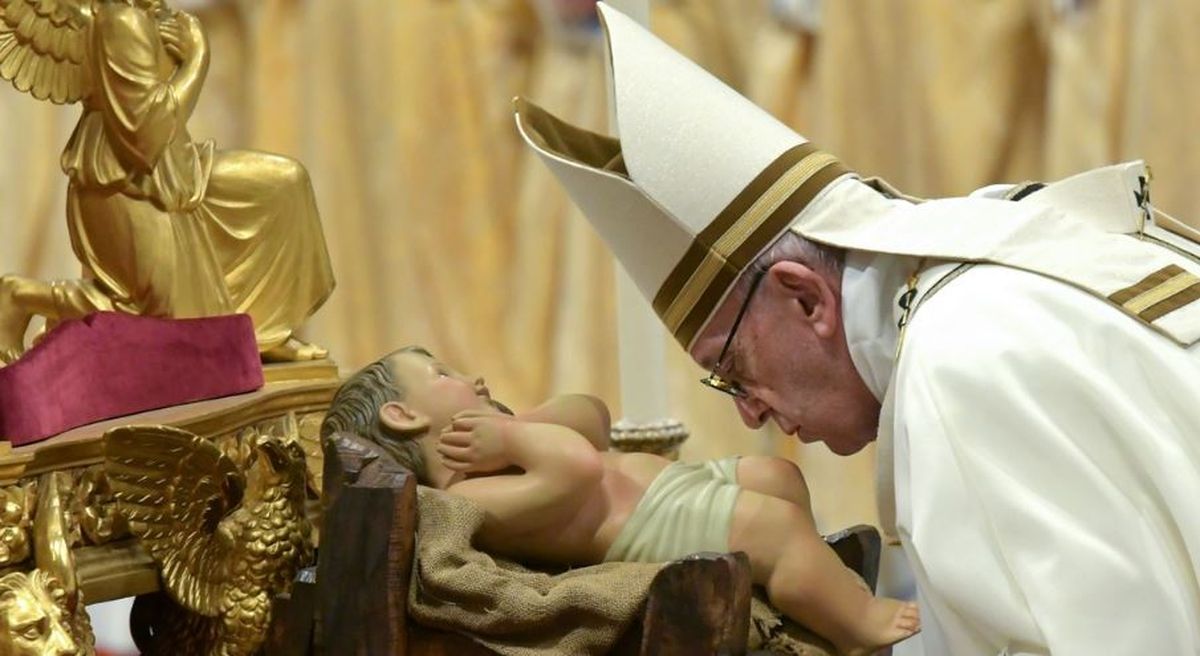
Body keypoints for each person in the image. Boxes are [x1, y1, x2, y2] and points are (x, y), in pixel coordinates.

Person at [515, 3, 1200, 653]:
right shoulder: (991, 255)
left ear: (806, 298)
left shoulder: (958, 353)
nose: (751, 410)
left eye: (733, 367)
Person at [321, 346, 920, 655]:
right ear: (403, 415)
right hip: (650, 525)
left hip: (670, 486)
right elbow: (577, 469)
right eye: (442, 374)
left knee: (778, 476)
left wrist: (517, 422)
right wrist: (511, 436)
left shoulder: (505, 445)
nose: (471, 378)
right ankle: (855, 627)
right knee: (777, 526)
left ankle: (805, 591)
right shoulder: (470, 495)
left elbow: (593, 419)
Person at [0, 0, 334, 365]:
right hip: (123, 182)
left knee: (285, 186)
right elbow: (147, 134)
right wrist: (197, 61)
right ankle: (20, 295)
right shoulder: (121, 22)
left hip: (174, 169)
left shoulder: (150, 13)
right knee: (160, 320)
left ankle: (263, 330)